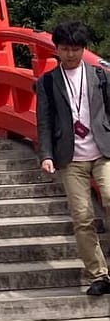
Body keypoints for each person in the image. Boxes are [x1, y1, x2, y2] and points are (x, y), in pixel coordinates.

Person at [35, 20, 110, 295]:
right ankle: (99, 275)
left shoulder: (100, 76)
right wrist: (46, 154)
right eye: (65, 49)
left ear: (84, 49)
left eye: (76, 49)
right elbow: (43, 120)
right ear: (57, 49)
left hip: (104, 151)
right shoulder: (47, 82)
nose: (70, 54)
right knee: (82, 217)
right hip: (71, 157)